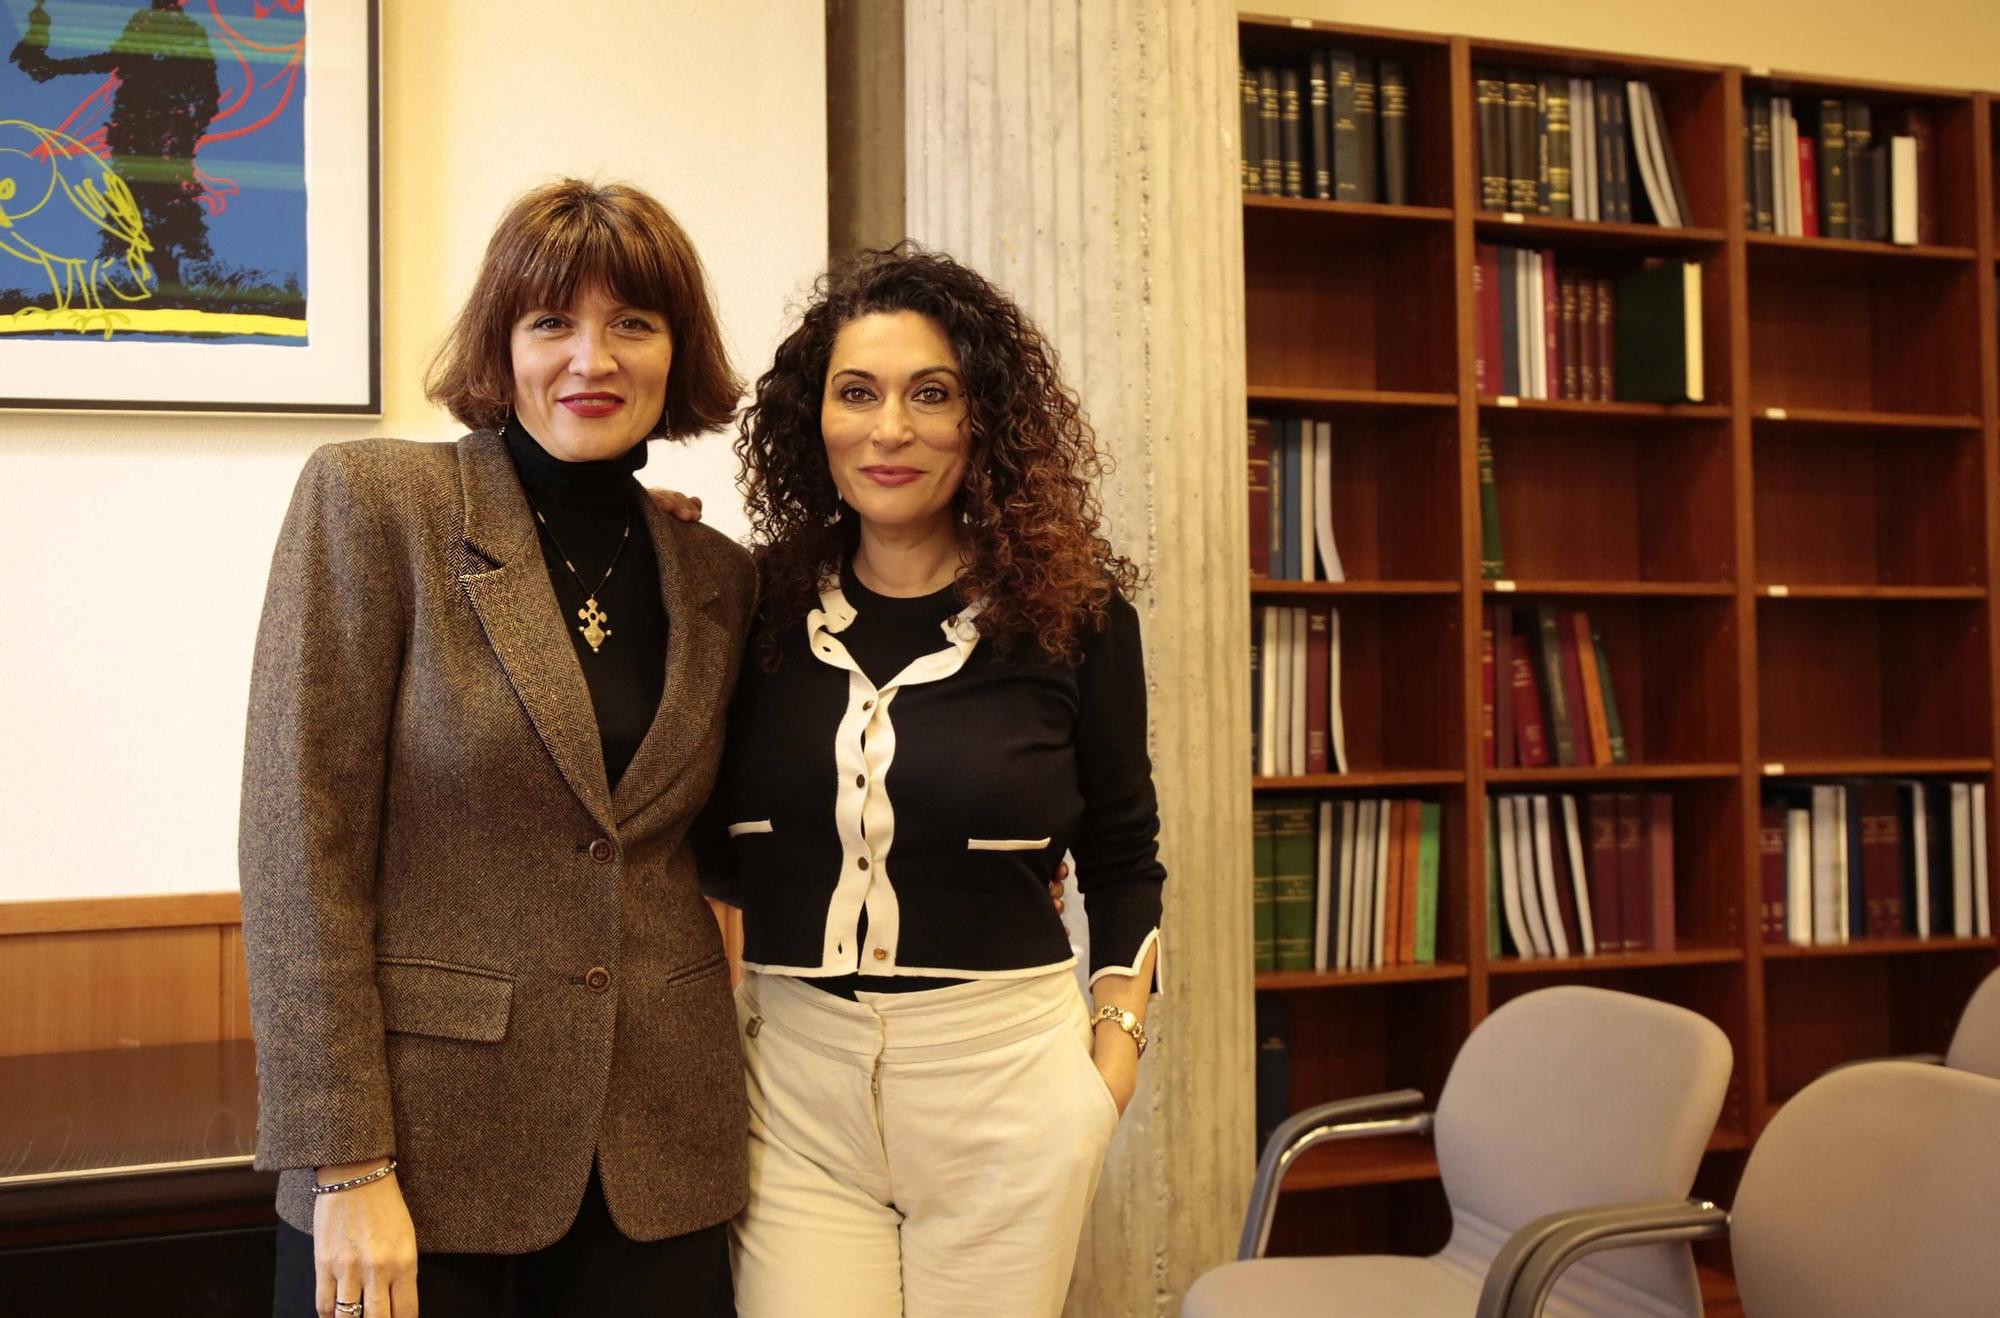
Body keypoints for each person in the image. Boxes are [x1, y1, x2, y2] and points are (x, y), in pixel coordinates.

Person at [239, 179, 753, 1318]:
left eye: (633, 323)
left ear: (677, 352)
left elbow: (728, 843)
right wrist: (347, 1165)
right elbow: (298, 853)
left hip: (659, 1158)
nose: (592, 358)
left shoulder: (715, 575)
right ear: (501, 344)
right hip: (423, 1160)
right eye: (551, 323)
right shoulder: (376, 505)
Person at [696, 245, 1164, 1317]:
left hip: (1004, 1081)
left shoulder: (1075, 618)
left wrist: (1112, 1059)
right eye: (856, 394)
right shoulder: (746, 606)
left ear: (983, 421)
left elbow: (1124, 855)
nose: (890, 429)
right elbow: (698, 833)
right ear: (811, 419)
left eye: (931, 395)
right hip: (794, 1090)